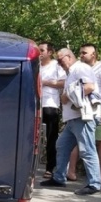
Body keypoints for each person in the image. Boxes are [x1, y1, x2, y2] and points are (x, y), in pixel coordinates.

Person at [40, 48, 101, 195]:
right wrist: (66, 96)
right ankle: (59, 177)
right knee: (61, 145)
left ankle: (94, 183)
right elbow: (68, 94)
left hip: (83, 117)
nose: (60, 63)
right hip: (73, 119)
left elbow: (90, 86)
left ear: (68, 57)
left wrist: (69, 96)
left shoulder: (80, 68)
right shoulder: (70, 73)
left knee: (87, 150)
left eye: (61, 60)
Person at [67, 44, 101, 183]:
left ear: (93, 54)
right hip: (82, 108)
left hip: (99, 107)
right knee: (77, 138)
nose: (81, 55)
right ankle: (71, 172)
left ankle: (100, 175)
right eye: (80, 53)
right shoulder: (79, 68)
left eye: (84, 53)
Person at [37, 42, 66, 179]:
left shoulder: (56, 65)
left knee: (51, 137)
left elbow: (64, 82)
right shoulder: (35, 66)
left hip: (50, 104)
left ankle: (50, 167)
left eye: (42, 50)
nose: (40, 53)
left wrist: (46, 82)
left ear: (49, 52)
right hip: (35, 104)